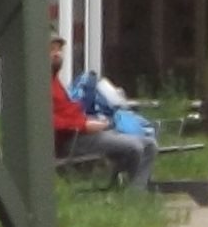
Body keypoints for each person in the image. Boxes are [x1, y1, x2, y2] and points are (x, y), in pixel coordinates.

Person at [52, 44, 148, 187]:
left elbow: (69, 113)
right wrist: (84, 125)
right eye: (51, 50)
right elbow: (50, 121)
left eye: (59, 50)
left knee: (149, 144)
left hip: (84, 133)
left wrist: (92, 121)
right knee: (135, 147)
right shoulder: (40, 86)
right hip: (71, 140)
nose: (57, 54)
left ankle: (139, 189)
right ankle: (134, 195)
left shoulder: (55, 82)